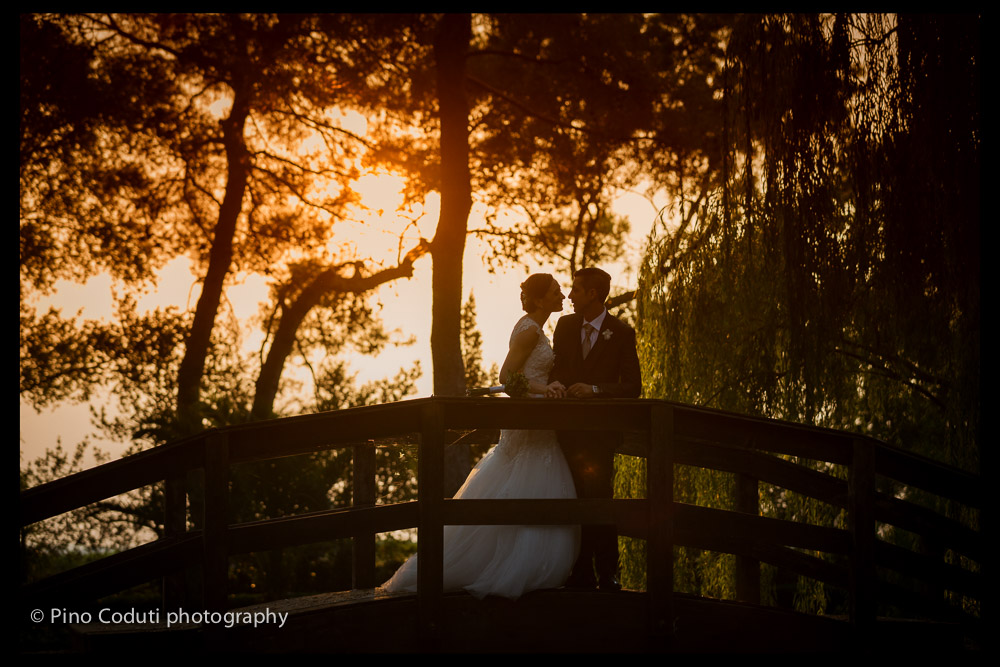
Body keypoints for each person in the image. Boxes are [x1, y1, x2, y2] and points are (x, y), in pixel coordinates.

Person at [382, 274, 579, 600]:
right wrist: (546, 389)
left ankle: (528, 568)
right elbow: (507, 376)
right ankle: (508, 569)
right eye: (556, 291)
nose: (562, 295)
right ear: (542, 299)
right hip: (528, 422)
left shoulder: (537, 328)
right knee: (522, 484)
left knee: (526, 486)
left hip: (540, 422)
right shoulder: (529, 330)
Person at [547, 267, 642, 591]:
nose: (570, 296)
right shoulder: (565, 325)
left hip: (601, 434)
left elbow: (632, 386)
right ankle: (580, 572)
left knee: (601, 498)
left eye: (575, 290)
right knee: (572, 497)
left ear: (592, 294)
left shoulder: (621, 332)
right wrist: (556, 383)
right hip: (567, 430)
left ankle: (608, 572)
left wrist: (596, 390)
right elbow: (556, 367)